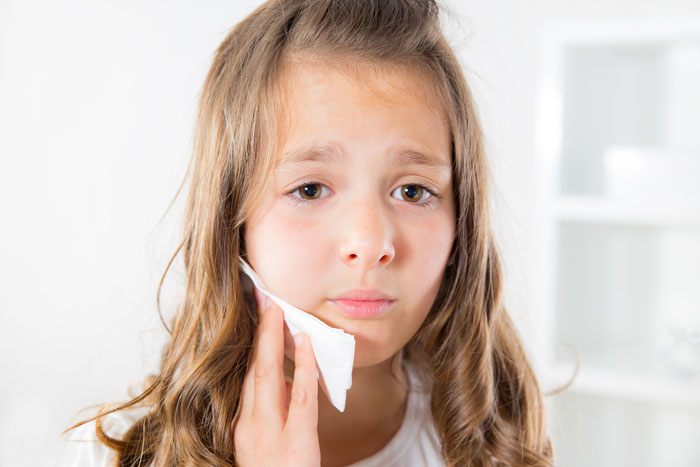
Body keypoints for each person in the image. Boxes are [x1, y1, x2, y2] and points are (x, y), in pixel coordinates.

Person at [62, 0, 555, 465]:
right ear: (233, 225)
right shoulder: (116, 451)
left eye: (412, 192)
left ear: (461, 225)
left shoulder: (497, 438)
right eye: (311, 189)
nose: (369, 244)